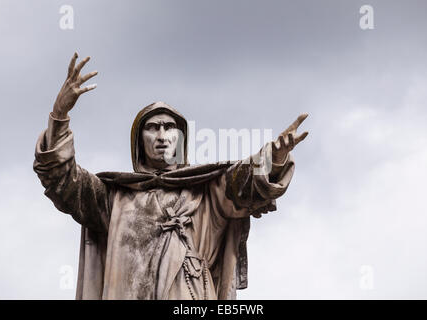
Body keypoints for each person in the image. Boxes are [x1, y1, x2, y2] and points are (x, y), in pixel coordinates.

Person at [33, 53, 309, 300]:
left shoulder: (205, 190)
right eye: (153, 128)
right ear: (140, 141)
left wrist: (274, 158)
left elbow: (244, 183)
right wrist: (59, 115)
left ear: (181, 138)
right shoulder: (114, 196)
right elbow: (61, 179)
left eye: (169, 127)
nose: (162, 136)